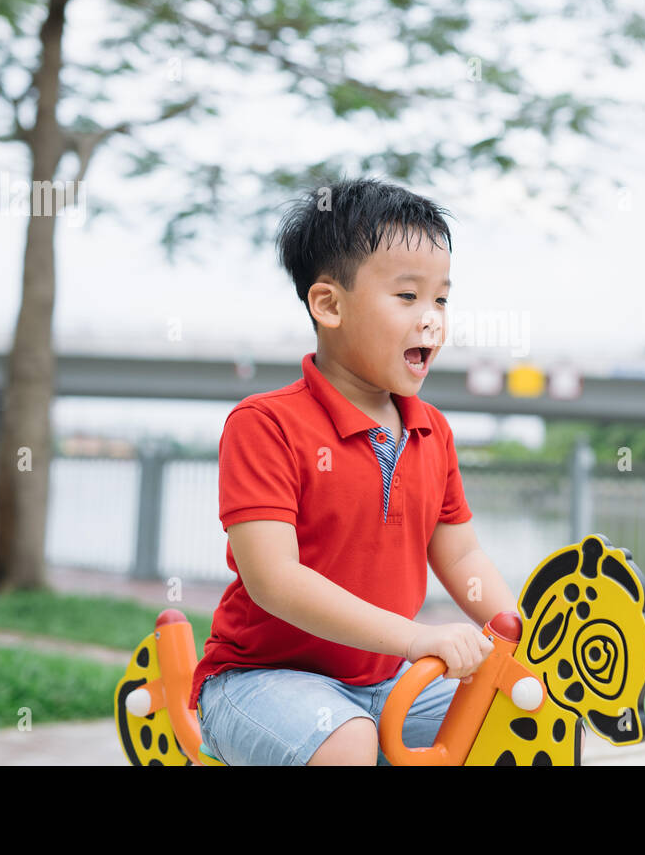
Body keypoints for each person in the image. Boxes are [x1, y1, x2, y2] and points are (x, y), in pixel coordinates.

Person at [189, 176, 518, 765]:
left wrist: (519, 633)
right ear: (329, 304)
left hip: (388, 681)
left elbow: (463, 558)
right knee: (346, 739)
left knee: (516, 709)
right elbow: (275, 579)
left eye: (441, 299)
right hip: (262, 680)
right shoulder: (265, 424)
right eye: (407, 297)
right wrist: (416, 638)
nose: (433, 319)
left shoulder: (432, 432)